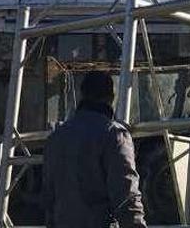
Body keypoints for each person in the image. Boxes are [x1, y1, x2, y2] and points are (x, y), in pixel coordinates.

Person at [44, 71, 146, 228]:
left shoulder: (56, 137)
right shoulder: (114, 135)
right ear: (111, 97)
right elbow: (125, 194)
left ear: (82, 94)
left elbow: (49, 198)